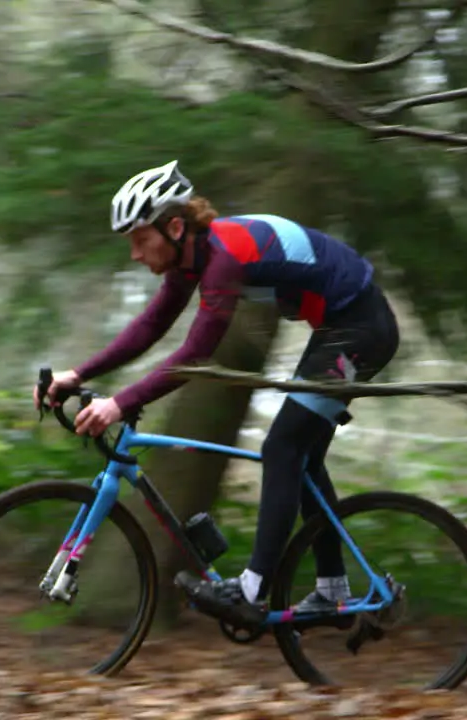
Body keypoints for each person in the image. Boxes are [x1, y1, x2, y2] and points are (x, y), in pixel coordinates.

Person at [33, 160, 400, 628]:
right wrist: (77, 373)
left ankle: (252, 590)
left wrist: (121, 402)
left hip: (360, 329)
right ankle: (333, 589)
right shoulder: (195, 257)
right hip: (341, 328)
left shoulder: (224, 258)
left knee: (282, 446)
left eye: (140, 239)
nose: (135, 254)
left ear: (175, 227)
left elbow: (195, 353)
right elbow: (151, 326)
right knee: (301, 457)